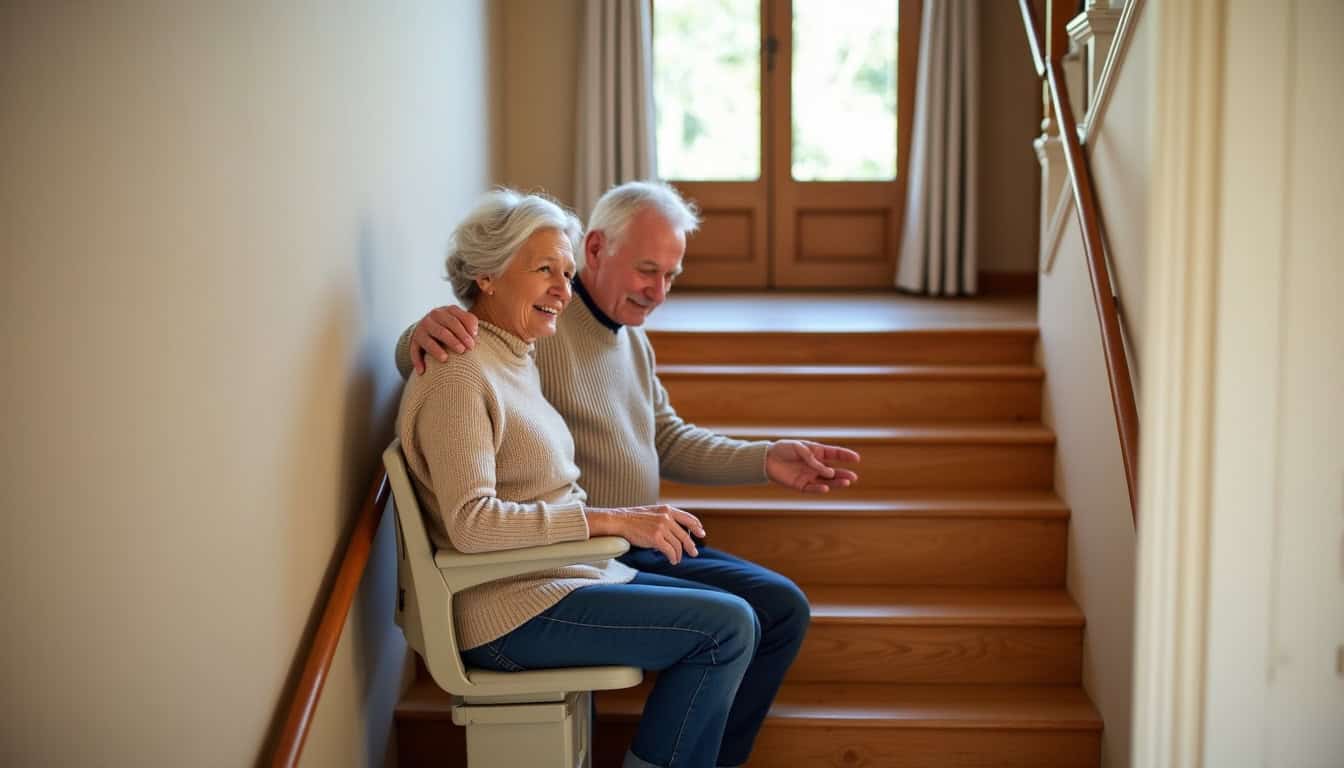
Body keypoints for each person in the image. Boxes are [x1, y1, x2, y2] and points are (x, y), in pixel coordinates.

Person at [397, 181, 862, 768]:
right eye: (647, 269)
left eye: (672, 275)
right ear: (596, 249)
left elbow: (663, 435)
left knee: (772, 611)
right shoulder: (526, 336)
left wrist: (764, 458)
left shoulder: (579, 341)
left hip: (595, 549)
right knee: (730, 626)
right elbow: (451, 366)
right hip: (561, 561)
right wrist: (415, 336)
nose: (658, 290)